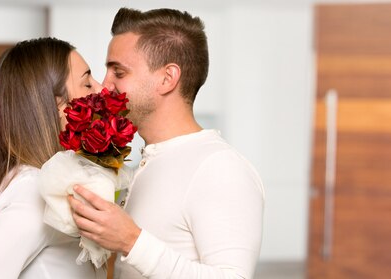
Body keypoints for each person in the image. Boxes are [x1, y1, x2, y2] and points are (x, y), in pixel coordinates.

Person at [68, 7, 265, 279]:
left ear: (167, 78)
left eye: (119, 72)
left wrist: (131, 241)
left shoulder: (220, 168)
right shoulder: (151, 161)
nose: (104, 85)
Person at [0, 37, 106, 278]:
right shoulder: (33, 192)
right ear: (59, 105)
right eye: (87, 83)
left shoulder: (39, 182)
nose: (101, 89)